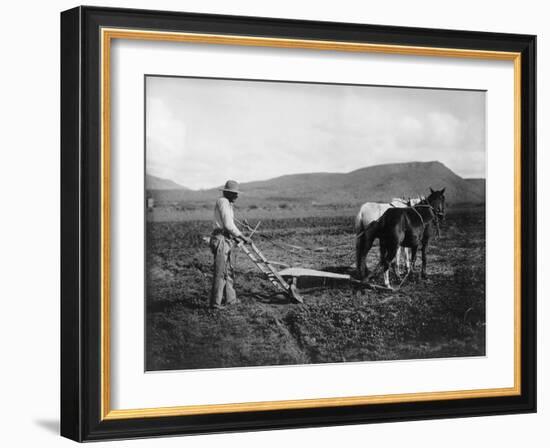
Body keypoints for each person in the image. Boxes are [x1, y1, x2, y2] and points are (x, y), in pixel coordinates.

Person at [209, 180, 251, 309]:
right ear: (227, 192)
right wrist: (242, 237)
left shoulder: (228, 203)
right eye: (234, 193)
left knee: (229, 271)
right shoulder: (223, 202)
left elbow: (229, 226)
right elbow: (228, 225)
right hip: (221, 239)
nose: (237, 196)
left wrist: (236, 238)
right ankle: (215, 304)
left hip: (226, 238)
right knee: (221, 272)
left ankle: (231, 299)